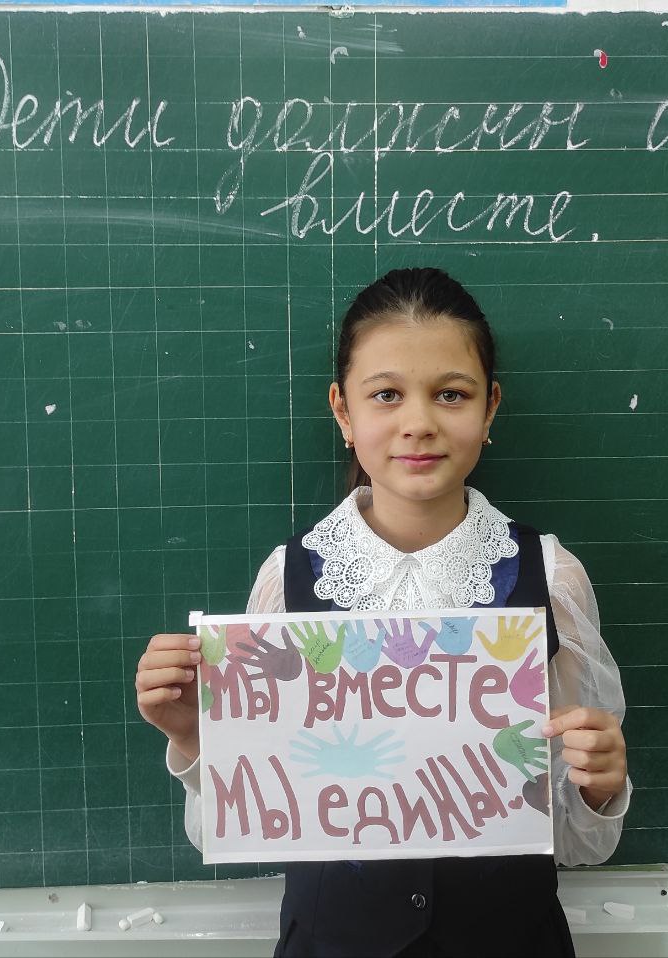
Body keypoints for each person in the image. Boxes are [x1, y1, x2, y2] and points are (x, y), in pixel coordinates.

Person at [135, 267, 630, 958]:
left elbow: (579, 841)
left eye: (451, 394)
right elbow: (249, 824)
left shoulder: (550, 579)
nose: (418, 423)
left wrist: (600, 784)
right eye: (387, 395)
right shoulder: (288, 581)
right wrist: (197, 739)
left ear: (490, 407)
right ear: (343, 412)